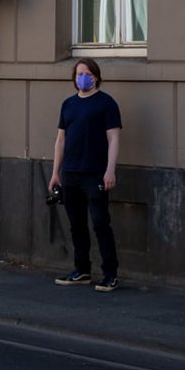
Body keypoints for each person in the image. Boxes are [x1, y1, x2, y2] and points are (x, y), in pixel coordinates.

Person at [49, 57, 122, 293]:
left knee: (101, 223)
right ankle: (81, 270)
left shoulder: (106, 103)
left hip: (95, 174)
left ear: (96, 76)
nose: (83, 77)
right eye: (79, 73)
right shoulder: (67, 104)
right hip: (70, 173)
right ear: (74, 78)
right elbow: (61, 140)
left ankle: (110, 274)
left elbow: (114, 138)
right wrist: (55, 173)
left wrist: (110, 169)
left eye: (88, 73)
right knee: (76, 224)